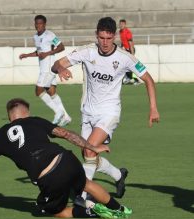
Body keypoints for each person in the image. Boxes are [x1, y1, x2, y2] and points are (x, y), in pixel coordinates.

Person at [0, 98, 132, 219]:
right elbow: (65, 133)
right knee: (87, 184)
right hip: (66, 158)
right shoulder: (35, 120)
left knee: (53, 211)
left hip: (48, 175)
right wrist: (92, 147)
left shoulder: (1, 135)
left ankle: (93, 213)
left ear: (10, 116)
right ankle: (120, 210)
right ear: (27, 113)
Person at [51, 17, 160, 199]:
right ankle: (118, 175)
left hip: (109, 112)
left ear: (115, 36)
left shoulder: (125, 58)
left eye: (109, 38)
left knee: (89, 149)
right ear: (96, 35)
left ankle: (82, 196)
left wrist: (153, 108)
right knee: (89, 155)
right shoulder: (87, 52)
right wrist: (60, 69)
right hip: (87, 112)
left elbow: (148, 79)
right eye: (102, 38)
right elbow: (57, 64)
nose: (105, 43)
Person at [19, 15, 71, 127]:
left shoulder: (50, 35)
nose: (38, 25)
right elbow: (39, 52)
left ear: (44, 24)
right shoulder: (36, 37)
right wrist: (27, 55)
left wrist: (48, 53)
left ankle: (58, 112)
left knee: (38, 91)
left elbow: (61, 47)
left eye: (40, 23)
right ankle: (66, 117)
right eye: (36, 23)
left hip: (48, 69)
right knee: (52, 93)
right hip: (43, 68)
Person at [119, 19, 140, 84]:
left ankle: (136, 80)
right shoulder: (120, 31)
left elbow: (131, 43)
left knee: (130, 66)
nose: (121, 25)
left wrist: (132, 54)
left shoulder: (128, 32)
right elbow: (123, 41)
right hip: (126, 50)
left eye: (122, 24)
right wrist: (122, 48)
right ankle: (129, 78)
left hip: (130, 50)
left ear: (125, 24)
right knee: (125, 65)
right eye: (120, 24)